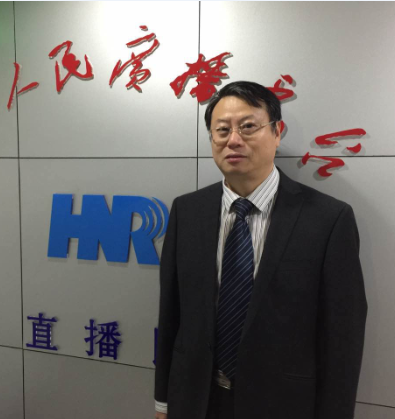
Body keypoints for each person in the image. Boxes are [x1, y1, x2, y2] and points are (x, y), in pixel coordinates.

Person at [154, 81, 367, 419]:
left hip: (283, 404)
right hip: (195, 400)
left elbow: (342, 337)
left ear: (277, 132)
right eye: (222, 130)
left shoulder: (328, 219)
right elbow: (171, 314)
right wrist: (163, 401)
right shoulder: (187, 211)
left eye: (248, 127)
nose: (233, 140)